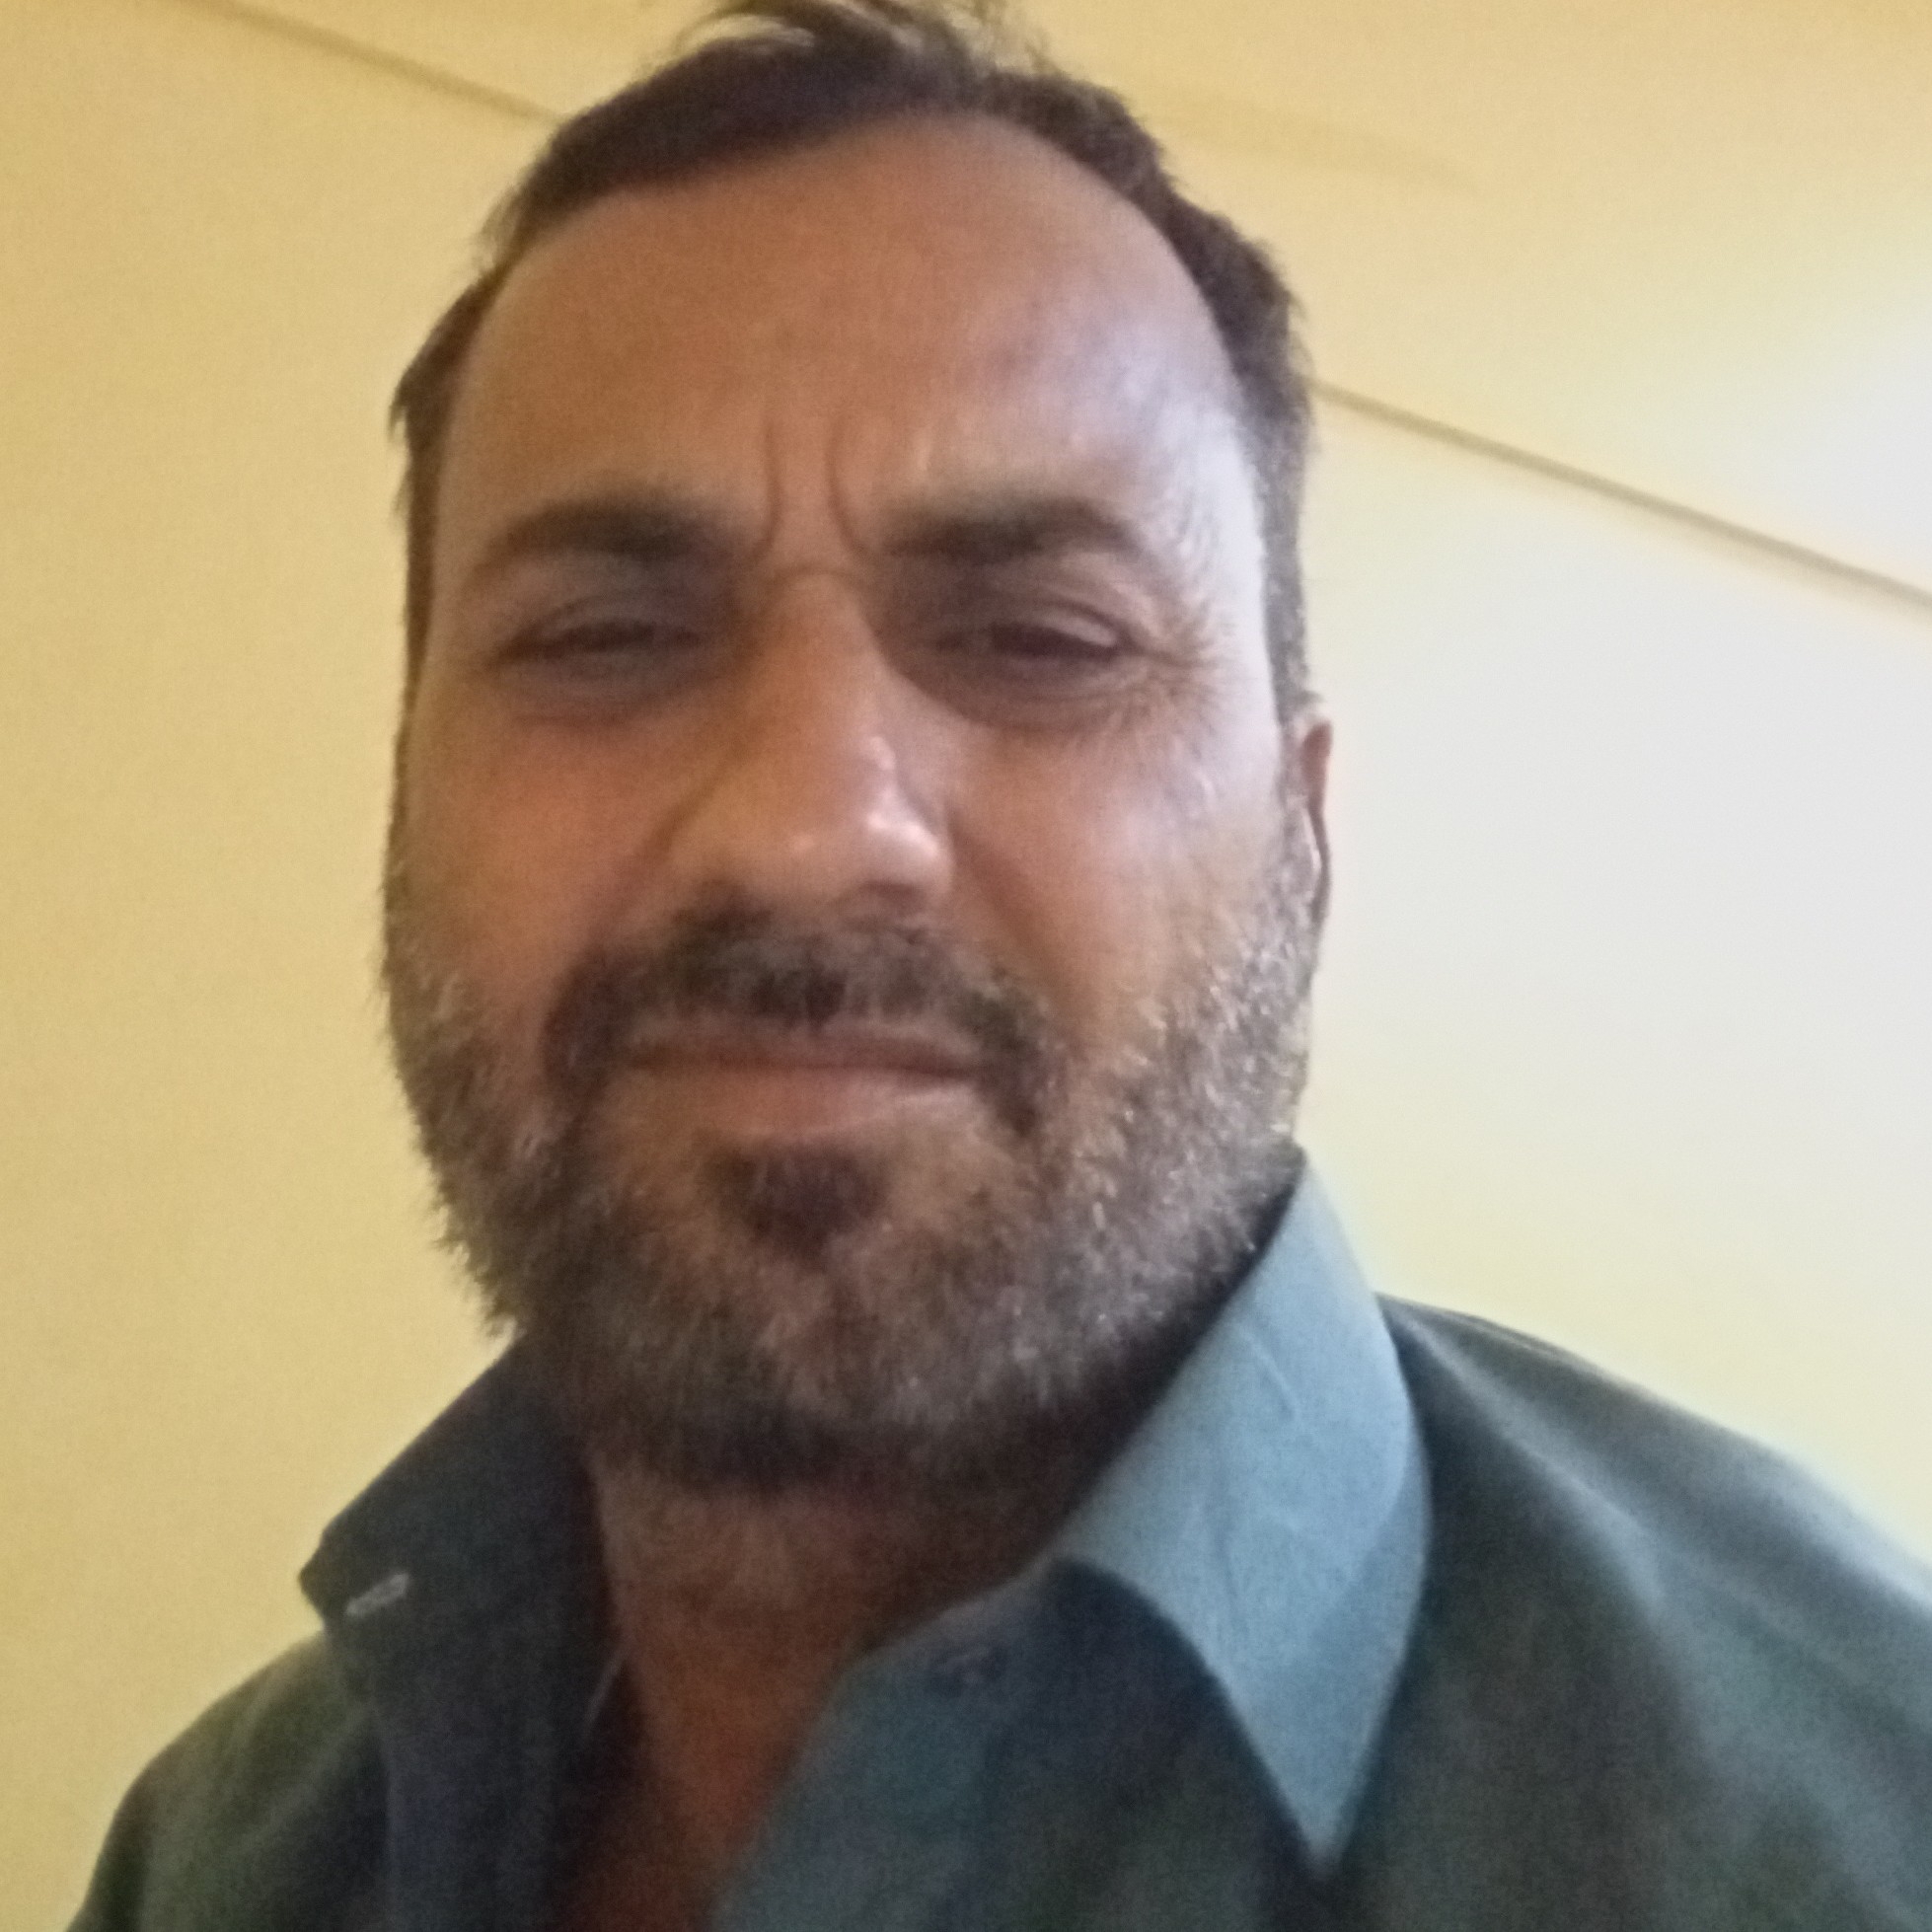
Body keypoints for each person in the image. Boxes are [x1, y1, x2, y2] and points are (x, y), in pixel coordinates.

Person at [70, 3, 1932, 1927]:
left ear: (1300, 840)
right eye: (605, 635)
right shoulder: (221, 1854)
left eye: (1041, 638)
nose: (803, 825)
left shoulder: (1862, 1838)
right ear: (407, 803)